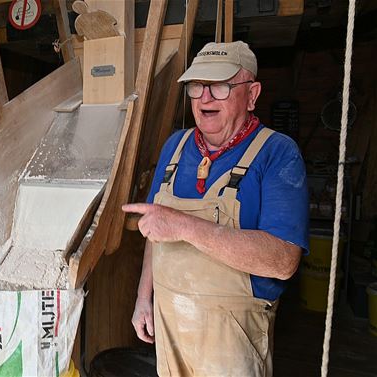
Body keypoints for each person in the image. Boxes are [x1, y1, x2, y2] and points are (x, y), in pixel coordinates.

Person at [122, 41, 309, 377]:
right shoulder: (174, 146)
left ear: (251, 95)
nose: (205, 98)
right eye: (197, 86)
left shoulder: (277, 153)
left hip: (232, 339)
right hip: (170, 326)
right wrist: (142, 297)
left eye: (221, 86)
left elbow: (283, 261)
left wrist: (184, 227)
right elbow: (155, 227)